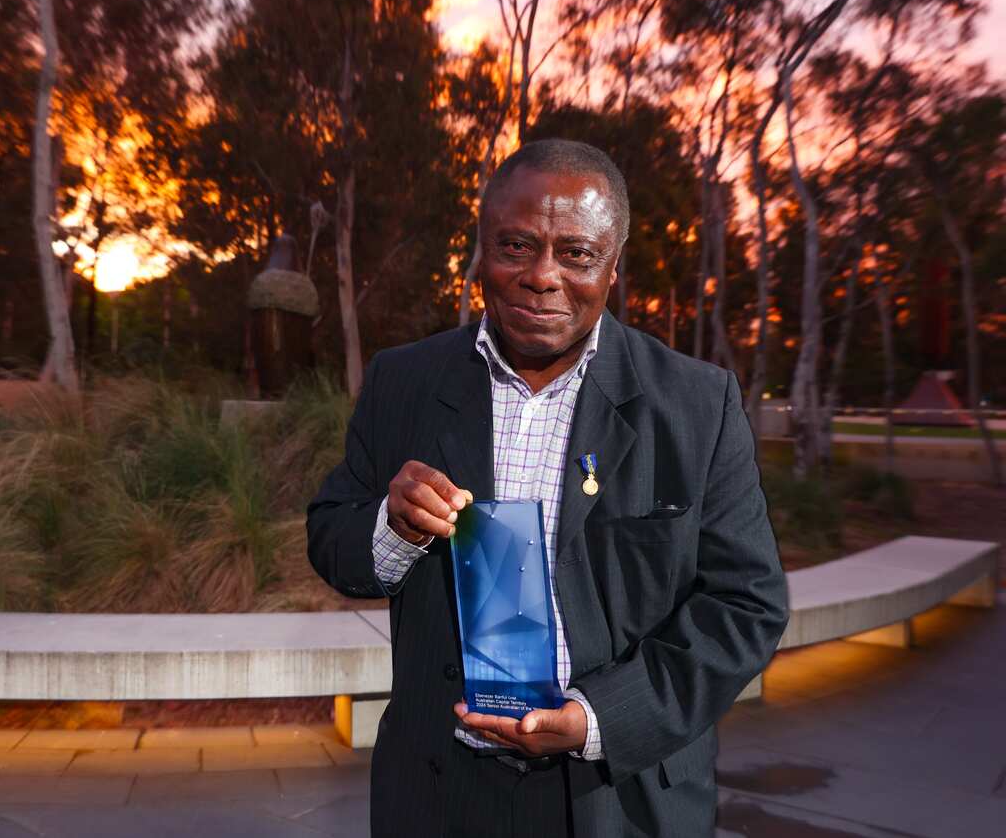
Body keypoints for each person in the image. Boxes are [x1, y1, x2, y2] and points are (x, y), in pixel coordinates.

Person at [306, 139, 789, 837]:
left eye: (576, 254)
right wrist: (392, 524)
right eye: (516, 246)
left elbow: (747, 605)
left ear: (613, 267)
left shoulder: (695, 404)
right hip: (440, 791)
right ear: (480, 252)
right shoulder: (403, 382)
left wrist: (598, 718)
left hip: (618, 794)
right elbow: (330, 533)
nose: (542, 276)